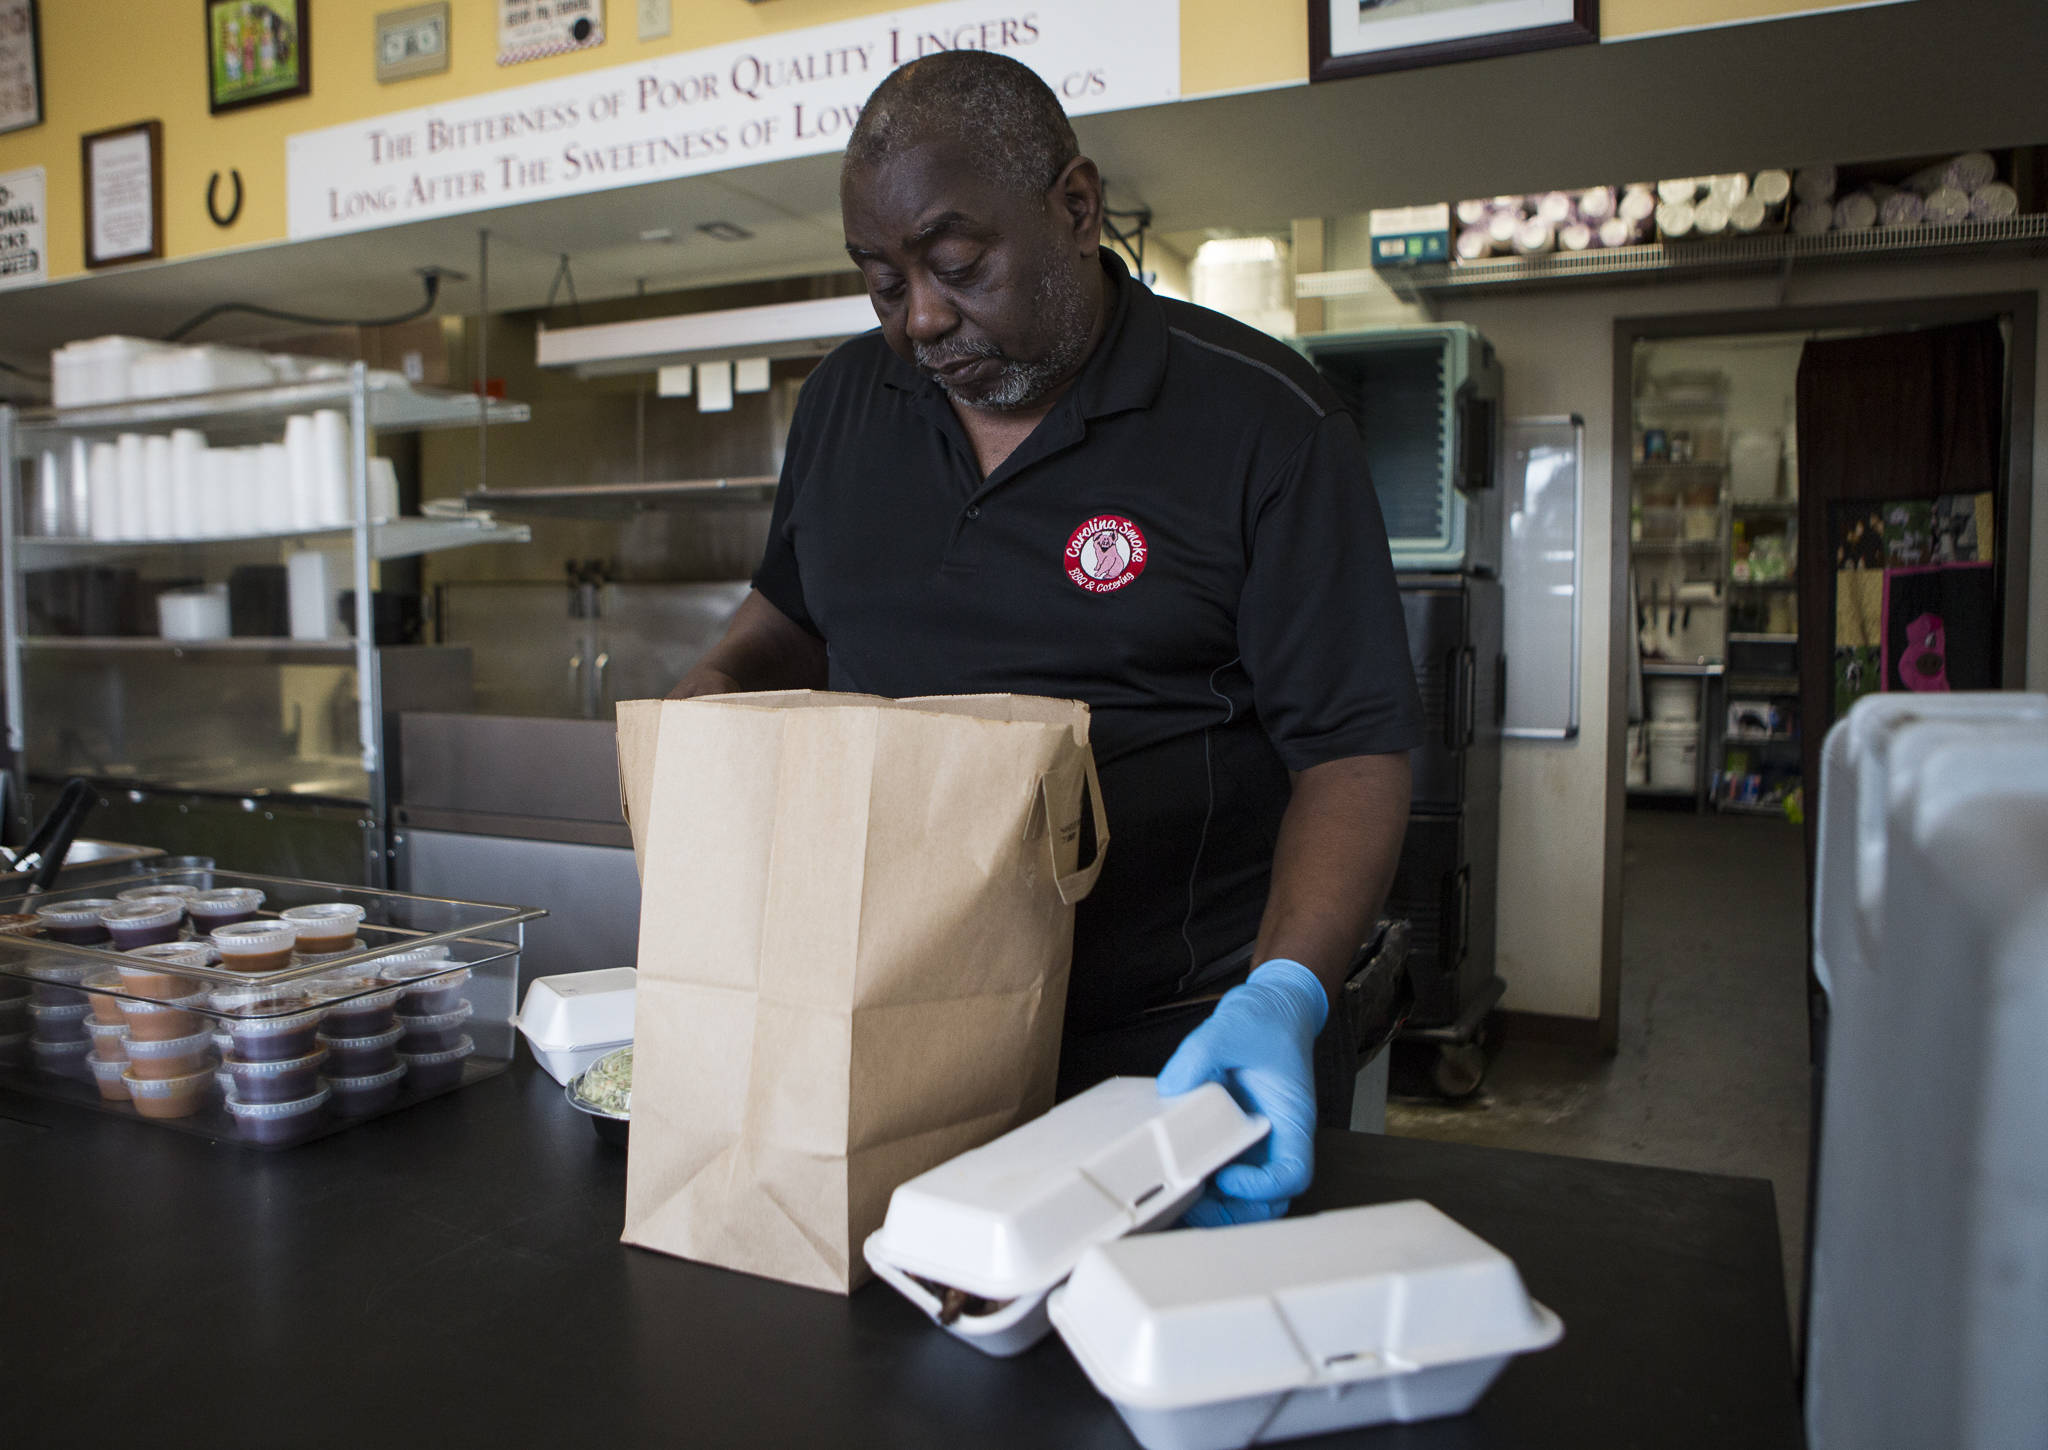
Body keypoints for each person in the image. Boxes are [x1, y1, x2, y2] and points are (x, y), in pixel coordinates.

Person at [671, 51, 1420, 1225]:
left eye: (957, 267)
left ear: (1075, 207)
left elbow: (1351, 749)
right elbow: (790, 616)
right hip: (882, 1021)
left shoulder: (1262, 423)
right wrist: (706, 706)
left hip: (1172, 1042)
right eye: (880, 283)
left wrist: (1282, 991)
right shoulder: (843, 408)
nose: (919, 317)